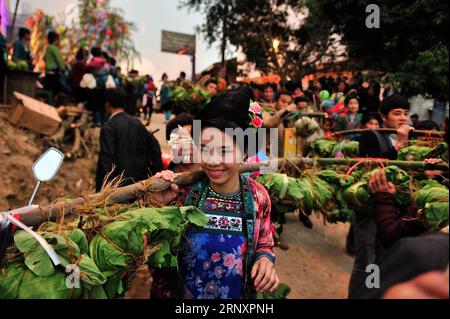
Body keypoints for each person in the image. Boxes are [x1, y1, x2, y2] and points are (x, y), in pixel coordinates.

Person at [150, 86, 279, 299]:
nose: (212, 160)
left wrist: (265, 260)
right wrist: (156, 207)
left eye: (224, 150)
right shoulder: (181, 194)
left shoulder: (259, 197)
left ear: (245, 151)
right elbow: (155, 254)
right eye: (205, 148)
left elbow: (264, 242)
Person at [95, 88, 163, 192]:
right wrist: (154, 173)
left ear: (107, 105)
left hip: (118, 189)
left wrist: (104, 190)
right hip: (139, 185)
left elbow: (106, 161)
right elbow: (155, 147)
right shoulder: (137, 123)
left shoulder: (108, 127)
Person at [44, 31, 65, 105]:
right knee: (55, 88)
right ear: (55, 39)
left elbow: (44, 58)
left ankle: (50, 102)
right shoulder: (54, 48)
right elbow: (59, 60)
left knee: (49, 89)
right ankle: (52, 103)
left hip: (47, 71)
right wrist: (63, 69)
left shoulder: (48, 48)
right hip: (54, 72)